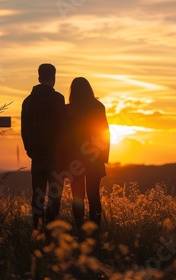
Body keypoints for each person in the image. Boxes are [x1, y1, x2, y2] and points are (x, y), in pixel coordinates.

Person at [21, 63, 65, 230]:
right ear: (53, 78)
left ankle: (38, 231)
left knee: (37, 196)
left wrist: (30, 150)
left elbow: (24, 130)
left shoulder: (27, 102)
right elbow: (62, 127)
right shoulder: (58, 99)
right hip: (55, 155)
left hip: (36, 155)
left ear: (39, 78)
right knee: (55, 196)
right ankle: (51, 230)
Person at [64, 77, 110, 232]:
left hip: (74, 160)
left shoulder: (69, 110)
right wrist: (103, 157)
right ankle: (94, 231)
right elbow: (105, 133)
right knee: (93, 196)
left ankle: (78, 229)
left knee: (77, 197)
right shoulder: (98, 107)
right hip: (94, 158)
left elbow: (64, 137)